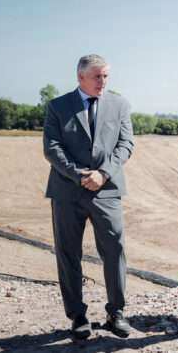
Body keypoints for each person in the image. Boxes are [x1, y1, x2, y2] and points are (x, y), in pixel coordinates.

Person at [42, 54, 135, 339]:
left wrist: (103, 174)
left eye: (106, 76)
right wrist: (80, 174)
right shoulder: (57, 107)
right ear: (80, 77)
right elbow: (52, 147)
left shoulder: (119, 105)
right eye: (97, 76)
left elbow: (125, 144)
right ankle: (78, 316)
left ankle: (116, 313)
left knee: (115, 250)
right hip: (67, 191)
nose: (103, 82)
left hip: (107, 191)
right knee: (68, 253)